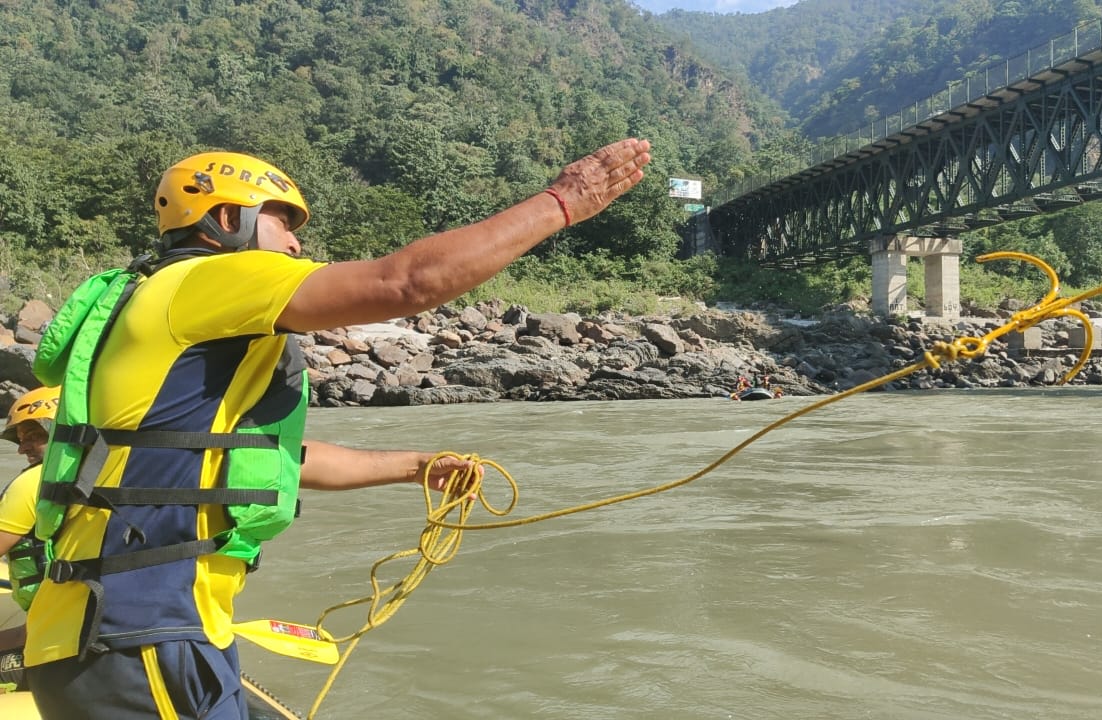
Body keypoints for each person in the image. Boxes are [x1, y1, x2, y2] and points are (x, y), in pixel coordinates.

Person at [23, 138, 651, 719]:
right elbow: (405, 282)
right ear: (223, 221)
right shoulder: (204, 279)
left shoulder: (158, 307)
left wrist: (416, 467)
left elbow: (268, 458)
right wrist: (563, 202)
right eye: (281, 222)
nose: (296, 243)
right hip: (140, 630)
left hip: (122, 631)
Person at [0, 385, 60, 688]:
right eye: (21, 440)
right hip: (84, 629)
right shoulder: (112, 475)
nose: (22, 450)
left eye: (33, 436)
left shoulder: (30, 484)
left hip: (61, 645)